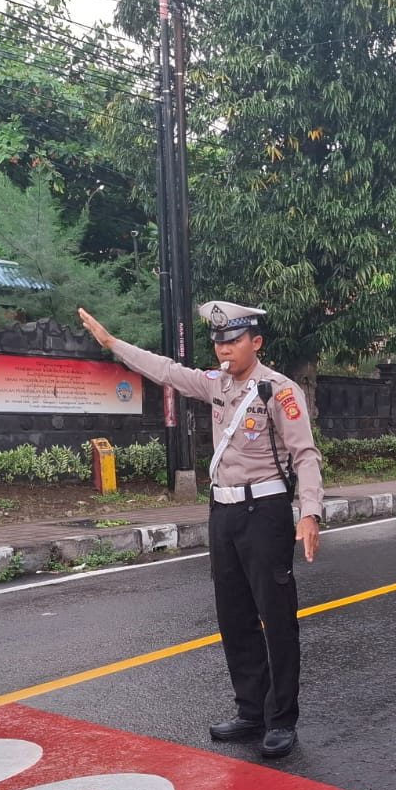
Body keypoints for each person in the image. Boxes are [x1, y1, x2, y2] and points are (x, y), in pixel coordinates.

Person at [77, 301, 324, 759]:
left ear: (256, 343)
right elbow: (167, 371)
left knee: (277, 616)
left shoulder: (280, 391)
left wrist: (309, 512)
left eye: (233, 342)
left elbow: (305, 455)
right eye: (219, 343)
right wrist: (112, 344)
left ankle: (281, 719)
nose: (225, 350)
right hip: (223, 512)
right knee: (234, 616)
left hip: (266, 511)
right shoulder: (215, 385)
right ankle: (251, 710)